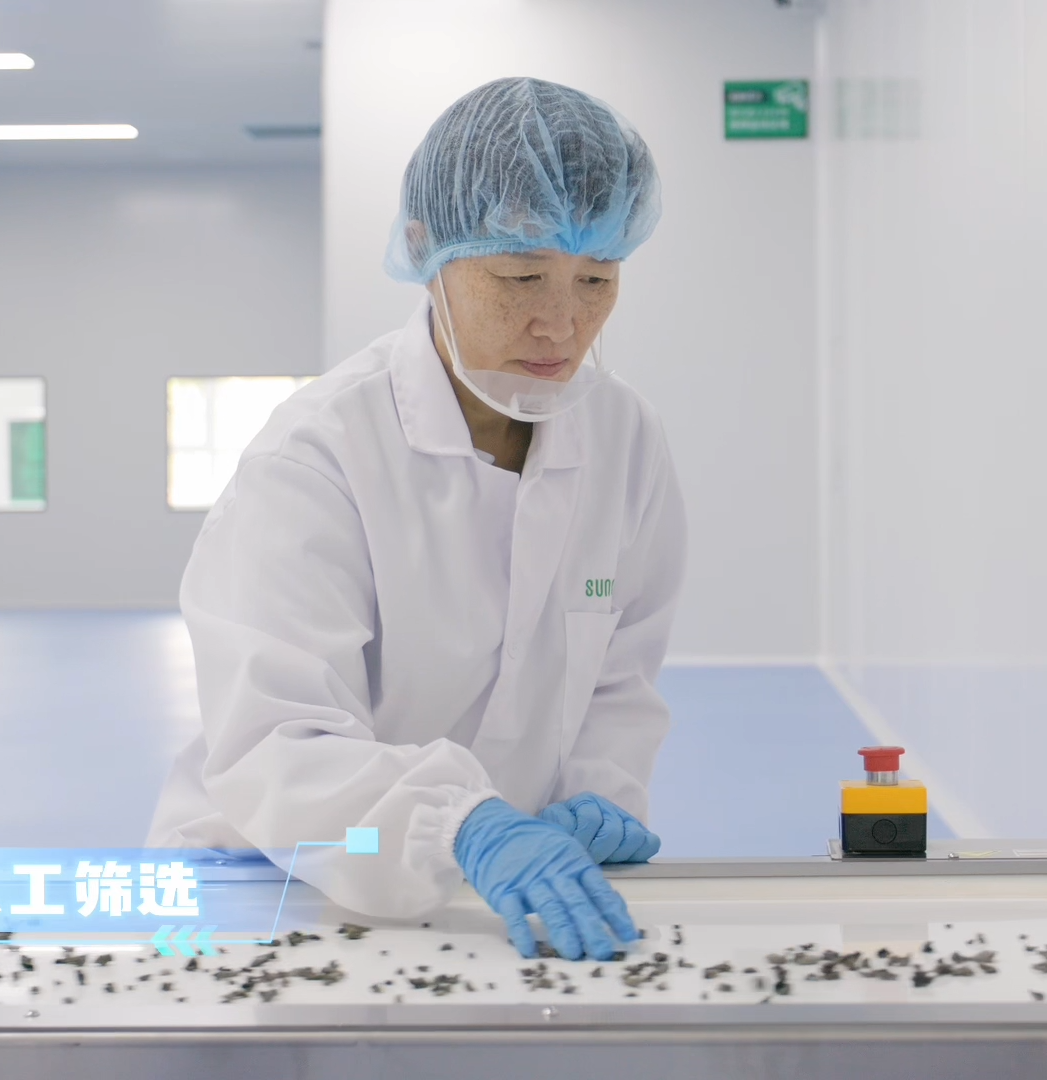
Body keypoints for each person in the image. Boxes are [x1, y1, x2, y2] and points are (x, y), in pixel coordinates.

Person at [147, 77, 685, 963]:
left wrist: (598, 795)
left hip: (496, 897)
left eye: (596, 278)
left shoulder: (624, 437)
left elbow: (620, 677)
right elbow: (278, 743)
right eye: (521, 277)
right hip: (281, 882)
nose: (562, 324)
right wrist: (458, 824)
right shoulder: (318, 455)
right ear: (425, 248)